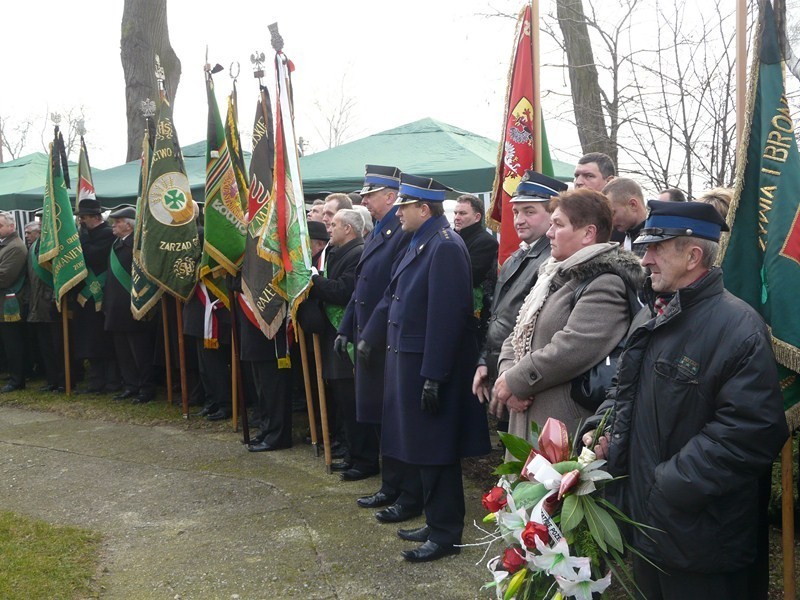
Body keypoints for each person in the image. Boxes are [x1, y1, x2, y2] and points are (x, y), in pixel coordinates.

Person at [581, 200, 788, 600]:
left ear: (694, 255)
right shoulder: (654, 314)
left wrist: (665, 486)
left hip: (699, 538)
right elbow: (624, 389)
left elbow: (750, 432)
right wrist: (599, 430)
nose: (645, 260)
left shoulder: (738, 327)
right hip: (649, 526)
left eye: (657, 248)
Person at [359, 173, 490, 562]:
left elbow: (447, 317)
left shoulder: (445, 247)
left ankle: (446, 533)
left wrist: (434, 375)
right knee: (422, 449)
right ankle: (436, 522)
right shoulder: (421, 240)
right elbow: (393, 295)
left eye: (404, 206)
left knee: (436, 452)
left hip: (428, 367)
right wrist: (369, 333)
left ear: (423, 208)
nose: (397, 212)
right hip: (409, 362)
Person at [493, 189, 644, 438]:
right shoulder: (553, 274)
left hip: (562, 427)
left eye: (558, 225)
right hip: (530, 418)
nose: (549, 233)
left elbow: (572, 347)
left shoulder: (605, 282)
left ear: (588, 233)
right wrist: (506, 377)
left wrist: (515, 381)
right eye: (551, 224)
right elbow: (518, 331)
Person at [337, 165, 422, 518]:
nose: (365, 201)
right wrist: (345, 327)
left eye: (371, 196)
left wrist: (369, 333)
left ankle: (405, 490)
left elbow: (392, 291)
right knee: (377, 416)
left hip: (387, 337)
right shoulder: (379, 232)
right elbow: (362, 287)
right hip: (369, 335)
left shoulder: (401, 233)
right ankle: (390, 485)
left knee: (394, 420)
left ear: (390, 196)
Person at [472, 172, 566, 415]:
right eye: (516, 212)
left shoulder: (553, 262)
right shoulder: (516, 258)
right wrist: (485, 362)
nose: (519, 220)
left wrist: (517, 384)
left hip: (528, 386)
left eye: (529, 211)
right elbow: (498, 317)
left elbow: (539, 332)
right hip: (505, 374)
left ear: (553, 215)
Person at [306, 209, 366, 479]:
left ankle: (363, 458)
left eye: (335, 224)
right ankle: (352, 453)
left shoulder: (357, 254)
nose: (329, 228)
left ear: (349, 230)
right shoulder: (337, 252)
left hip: (349, 336)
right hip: (335, 336)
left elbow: (343, 292)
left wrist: (315, 280)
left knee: (352, 403)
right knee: (342, 402)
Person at [103, 207, 156, 403]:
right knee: (123, 351)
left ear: (129, 224)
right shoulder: (116, 244)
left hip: (133, 307)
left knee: (139, 352)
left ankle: (146, 388)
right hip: (116, 308)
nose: (114, 225)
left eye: (117, 222)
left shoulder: (137, 246)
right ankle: (130, 384)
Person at [73, 199, 119, 394]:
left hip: (103, 293)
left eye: (83, 217)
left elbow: (92, 256)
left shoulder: (107, 234)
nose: (81, 221)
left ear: (95, 217)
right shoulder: (87, 235)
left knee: (104, 341)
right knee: (90, 341)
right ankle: (95, 381)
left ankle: (111, 382)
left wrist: (81, 241)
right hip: (87, 297)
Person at [453, 194, 498, 345]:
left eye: (463, 213)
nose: (457, 217)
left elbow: (470, 276)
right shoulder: (452, 238)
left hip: (473, 316)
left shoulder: (486, 242)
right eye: (455, 213)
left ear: (477, 217)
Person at [0, 212, 28, 392]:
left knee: (14, 343)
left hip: (11, 303)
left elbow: (4, 277)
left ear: (11, 227)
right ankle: (12, 375)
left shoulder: (15, 247)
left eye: (0, 226)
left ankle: (18, 379)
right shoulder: (6, 245)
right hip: (4, 303)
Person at [603, 177, 648, 256]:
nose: (610, 222)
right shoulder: (623, 244)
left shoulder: (657, 244)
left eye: (613, 213)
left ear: (633, 205)